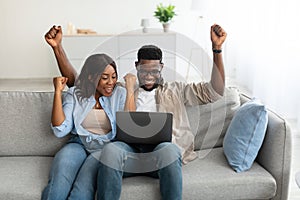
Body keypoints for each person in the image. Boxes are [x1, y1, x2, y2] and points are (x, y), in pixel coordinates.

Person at [45, 24, 227, 200]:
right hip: (129, 152)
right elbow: (81, 82)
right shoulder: (122, 89)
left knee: (170, 150)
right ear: (136, 66)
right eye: (144, 70)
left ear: (162, 67)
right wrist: (58, 49)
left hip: (159, 153)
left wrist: (216, 50)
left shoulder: (176, 90)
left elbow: (215, 92)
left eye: (154, 71)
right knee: (111, 150)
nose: (149, 76)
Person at [41, 52, 127, 198]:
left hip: (105, 149)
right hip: (78, 144)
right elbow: (60, 130)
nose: (111, 82)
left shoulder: (120, 93)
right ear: (91, 77)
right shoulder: (74, 94)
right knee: (60, 179)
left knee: (82, 189)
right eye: (104, 77)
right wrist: (57, 92)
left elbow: (126, 127)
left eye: (114, 76)